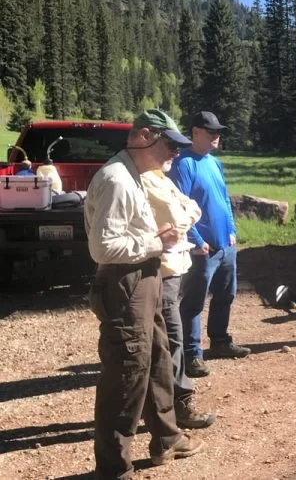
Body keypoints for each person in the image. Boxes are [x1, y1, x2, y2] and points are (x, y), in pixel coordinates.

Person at [85, 109, 205, 478]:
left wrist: (155, 246)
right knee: (127, 373)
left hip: (144, 278)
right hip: (125, 283)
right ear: (144, 136)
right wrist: (156, 242)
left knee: (156, 360)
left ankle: (167, 439)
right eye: (170, 144)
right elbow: (102, 248)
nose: (175, 153)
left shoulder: (136, 174)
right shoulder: (117, 179)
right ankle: (112, 467)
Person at [169, 111, 250, 378]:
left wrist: (232, 231)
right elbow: (179, 207)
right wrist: (197, 241)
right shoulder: (183, 164)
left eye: (218, 131)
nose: (216, 135)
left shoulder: (214, 163)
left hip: (225, 244)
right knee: (194, 302)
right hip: (202, 249)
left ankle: (220, 341)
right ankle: (192, 354)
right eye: (210, 131)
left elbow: (224, 199)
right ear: (195, 132)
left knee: (226, 295)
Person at [142, 163, 217, 430]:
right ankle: (176, 407)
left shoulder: (160, 176)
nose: (175, 154)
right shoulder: (145, 179)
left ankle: (164, 408)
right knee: (170, 341)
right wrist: (184, 218)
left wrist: (183, 218)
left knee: (168, 340)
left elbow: (191, 206)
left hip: (172, 269)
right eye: (171, 146)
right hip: (160, 271)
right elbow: (180, 214)